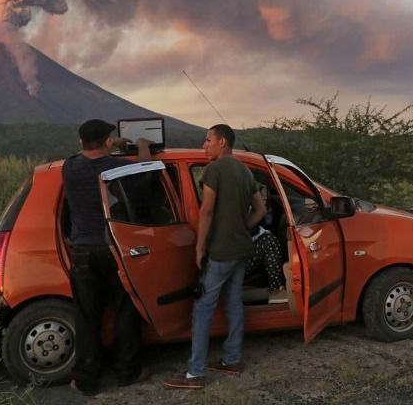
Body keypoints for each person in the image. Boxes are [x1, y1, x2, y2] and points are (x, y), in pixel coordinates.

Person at [163, 124, 266, 389]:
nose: (204, 145)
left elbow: (206, 210)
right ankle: (232, 359)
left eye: (208, 140)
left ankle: (195, 373)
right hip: (242, 249)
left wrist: (199, 247)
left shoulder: (214, 170)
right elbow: (261, 209)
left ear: (222, 142)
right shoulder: (244, 170)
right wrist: (243, 226)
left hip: (220, 252)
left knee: (203, 309)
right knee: (233, 303)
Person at [63, 119, 151, 396]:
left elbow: (86, 155)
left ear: (80, 143)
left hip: (82, 253)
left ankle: (86, 380)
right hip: (112, 249)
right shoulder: (115, 168)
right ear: (107, 141)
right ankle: (128, 371)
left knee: (87, 317)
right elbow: (146, 170)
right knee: (125, 310)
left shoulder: (69, 167)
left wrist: (111, 146)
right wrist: (141, 146)